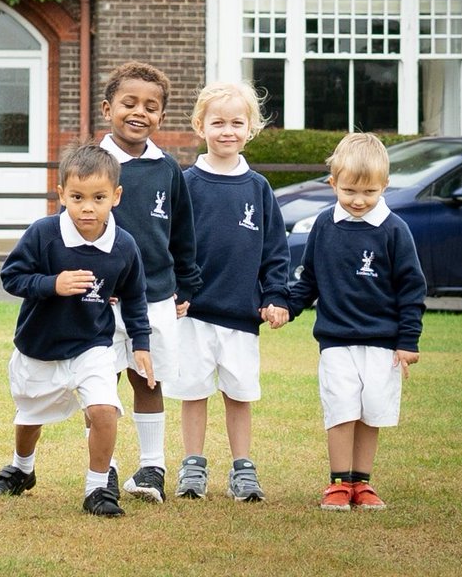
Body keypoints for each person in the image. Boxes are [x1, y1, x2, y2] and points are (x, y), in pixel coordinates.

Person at [0, 143, 152, 517]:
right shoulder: (44, 233)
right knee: (29, 416)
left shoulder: (123, 245)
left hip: (92, 346)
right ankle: (22, 469)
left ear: (116, 197)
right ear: (61, 194)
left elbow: (135, 296)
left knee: (104, 410)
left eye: (98, 197)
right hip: (39, 345)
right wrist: (51, 284)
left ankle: (97, 489)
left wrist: (141, 342)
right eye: (76, 197)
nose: (87, 207)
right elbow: (11, 277)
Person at [287, 132, 425, 511]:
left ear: (384, 186)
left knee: (371, 411)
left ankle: (362, 484)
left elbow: (411, 288)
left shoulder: (394, 229)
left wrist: (408, 341)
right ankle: (338, 482)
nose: (359, 200)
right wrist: (286, 307)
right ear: (333, 184)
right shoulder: (324, 226)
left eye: (369, 192)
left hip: (383, 343)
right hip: (336, 341)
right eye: (349, 190)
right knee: (341, 407)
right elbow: (308, 280)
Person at [169, 82, 291, 502]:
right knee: (194, 392)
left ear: (251, 128)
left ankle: (243, 469)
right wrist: (173, 290)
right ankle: (193, 467)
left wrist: (275, 295)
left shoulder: (258, 188)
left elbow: (276, 250)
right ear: (200, 126)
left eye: (237, 122)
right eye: (217, 122)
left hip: (242, 314)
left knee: (239, 395)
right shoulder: (185, 184)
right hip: (194, 313)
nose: (227, 131)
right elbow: (171, 244)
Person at [99, 61, 202, 503]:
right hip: (100, 299)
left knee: (149, 380)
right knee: (101, 385)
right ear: (108, 109)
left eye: (152, 106)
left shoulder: (168, 169)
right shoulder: (93, 164)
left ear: (161, 116)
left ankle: (152, 468)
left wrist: (186, 286)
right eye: (129, 103)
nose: (139, 113)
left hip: (156, 296)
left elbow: (182, 234)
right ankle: (104, 469)